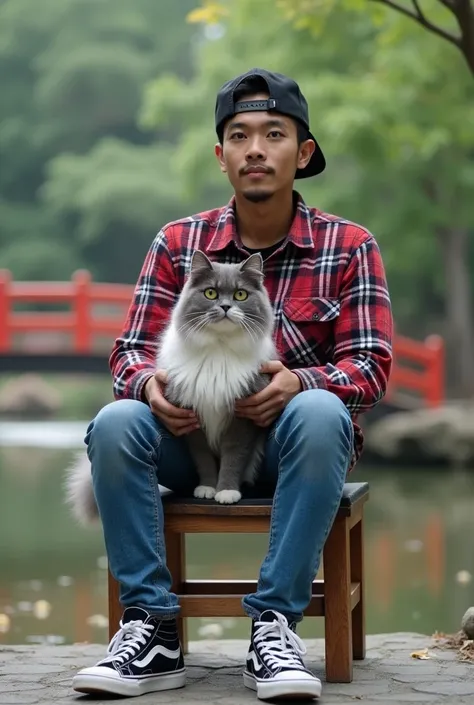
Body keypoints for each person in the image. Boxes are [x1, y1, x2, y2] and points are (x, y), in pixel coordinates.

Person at [72, 68, 393, 701]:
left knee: (324, 413)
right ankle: (151, 627)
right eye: (239, 136)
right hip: (187, 438)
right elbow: (128, 353)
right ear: (221, 158)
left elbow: (373, 366)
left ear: (301, 153)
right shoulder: (178, 242)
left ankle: (274, 625)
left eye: (273, 134)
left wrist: (301, 381)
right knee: (114, 423)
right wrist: (149, 388)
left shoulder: (349, 246)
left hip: (292, 452)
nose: (255, 149)